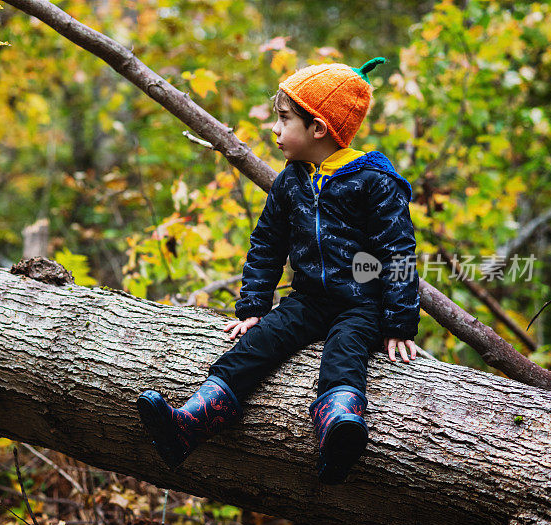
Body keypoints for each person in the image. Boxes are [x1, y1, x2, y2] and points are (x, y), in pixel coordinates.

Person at [136, 57, 420, 484]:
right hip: (306, 301)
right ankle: (190, 423)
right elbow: (267, 244)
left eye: (284, 119)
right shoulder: (291, 181)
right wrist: (253, 305)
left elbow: (398, 251)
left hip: (363, 303)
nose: (275, 129)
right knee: (257, 344)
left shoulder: (375, 182)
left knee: (343, 354)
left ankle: (338, 433)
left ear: (319, 128)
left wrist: (398, 321)